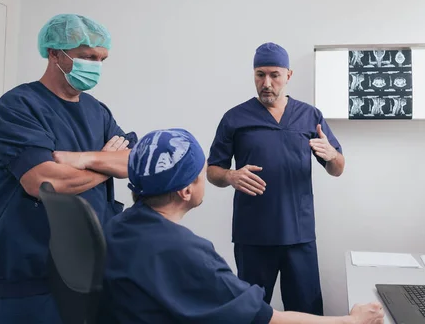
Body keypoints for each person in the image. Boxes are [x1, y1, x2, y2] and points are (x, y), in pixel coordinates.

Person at [103, 128, 383, 324]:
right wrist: (352, 320)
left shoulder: (118, 226)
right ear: (186, 191)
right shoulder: (188, 253)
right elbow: (268, 319)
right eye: (200, 173)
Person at [0, 13, 136, 324]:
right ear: (55, 53)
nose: (96, 65)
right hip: (33, 280)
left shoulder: (98, 112)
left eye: (101, 58)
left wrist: (83, 159)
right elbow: (44, 181)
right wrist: (107, 162)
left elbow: (133, 160)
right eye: (87, 56)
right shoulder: (18, 107)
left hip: (94, 274)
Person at [207, 42, 345, 314]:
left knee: (306, 310)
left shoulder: (309, 116)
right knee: (251, 312)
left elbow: (338, 168)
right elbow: (213, 171)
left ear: (288, 76)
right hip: (253, 235)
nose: (266, 83)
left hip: (299, 233)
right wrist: (231, 176)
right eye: (260, 75)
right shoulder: (235, 118)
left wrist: (331, 155)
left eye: (274, 75)